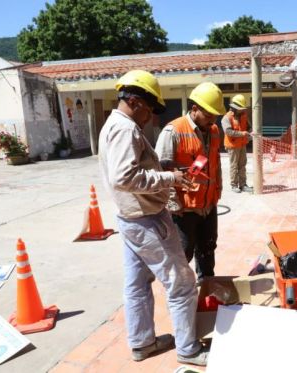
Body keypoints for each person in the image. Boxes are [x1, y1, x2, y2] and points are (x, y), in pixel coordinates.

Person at [98, 70, 209, 366]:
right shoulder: (126, 129)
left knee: (136, 284)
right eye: (150, 109)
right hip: (147, 219)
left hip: (129, 218)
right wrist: (168, 178)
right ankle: (189, 349)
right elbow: (125, 177)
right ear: (135, 101)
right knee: (182, 283)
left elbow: (130, 171)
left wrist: (167, 172)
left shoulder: (111, 124)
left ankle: (142, 343)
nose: (151, 117)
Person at [155, 82, 225, 282]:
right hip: (183, 209)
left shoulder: (213, 131)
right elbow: (160, 169)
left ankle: (207, 287)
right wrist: (171, 201)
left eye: (215, 115)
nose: (213, 119)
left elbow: (215, 163)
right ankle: (181, 295)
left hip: (208, 205)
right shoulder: (173, 131)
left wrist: (217, 190)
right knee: (183, 254)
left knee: (208, 248)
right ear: (194, 109)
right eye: (209, 114)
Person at [221, 94, 252, 193]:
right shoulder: (226, 118)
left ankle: (243, 185)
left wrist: (251, 132)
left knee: (242, 165)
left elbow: (248, 127)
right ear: (234, 107)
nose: (242, 110)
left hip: (242, 144)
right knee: (234, 166)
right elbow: (228, 132)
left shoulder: (243, 115)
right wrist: (242, 133)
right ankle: (234, 185)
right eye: (240, 108)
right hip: (232, 146)